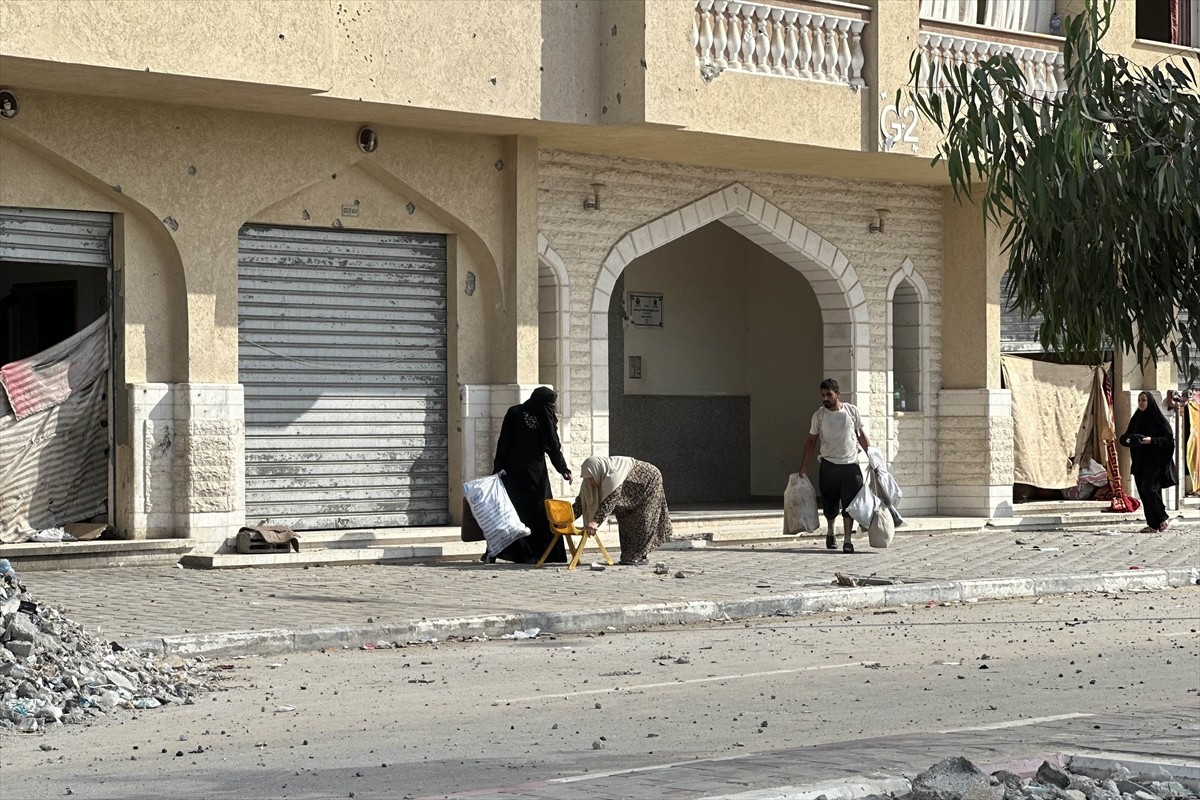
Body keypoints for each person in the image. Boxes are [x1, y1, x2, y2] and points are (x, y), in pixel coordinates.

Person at [490, 387, 572, 563]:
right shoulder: (515, 413)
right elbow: (504, 441)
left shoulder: (546, 417)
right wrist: (498, 467)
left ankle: (542, 553)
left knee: (540, 511)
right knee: (512, 512)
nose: (549, 407)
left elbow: (553, 446)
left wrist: (563, 469)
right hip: (515, 472)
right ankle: (513, 552)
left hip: (534, 474)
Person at [798, 378, 871, 553]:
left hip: (850, 465)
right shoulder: (819, 416)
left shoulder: (852, 412)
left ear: (838, 394)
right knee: (830, 505)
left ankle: (847, 540)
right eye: (822, 395)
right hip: (829, 465)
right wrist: (804, 465)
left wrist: (872, 456)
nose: (825, 399)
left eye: (829, 395)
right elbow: (811, 441)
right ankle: (831, 531)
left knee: (850, 504)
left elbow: (861, 436)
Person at [573, 456, 672, 565]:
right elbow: (581, 502)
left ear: (597, 471)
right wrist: (567, 518)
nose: (590, 482)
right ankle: (628, 556)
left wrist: (595, 521)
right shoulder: (591, 479)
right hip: (629, 491)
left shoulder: (613, 476)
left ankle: (639, 556)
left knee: (644, 520)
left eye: (591, 478)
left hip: (648, 482)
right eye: (587, 479)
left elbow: (609, 501)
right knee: (625, 518)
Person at [1118, 391, 1176, 532]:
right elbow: (1125, 437)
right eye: (1139, 400)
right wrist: (1132, 439)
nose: (1141, 403)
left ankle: (1162, 518)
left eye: (1144, 400)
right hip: (1140, 462)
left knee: (1150, 489)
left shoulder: (1157, 418)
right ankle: (1153, 524)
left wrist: (1152, 440)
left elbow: (1169, 438)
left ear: (1149, 401)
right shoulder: (1137, 418)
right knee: (1143, 492)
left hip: (1155, 462)